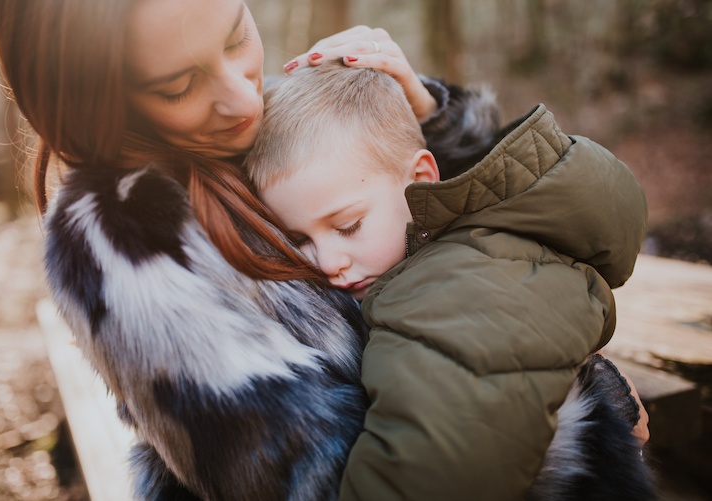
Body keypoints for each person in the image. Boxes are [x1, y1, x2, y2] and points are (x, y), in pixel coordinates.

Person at [246, 61, 655, 500]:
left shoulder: (445, 286)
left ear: (420, 180)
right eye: (298, 239)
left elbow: (431, 468)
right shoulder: (470, 249)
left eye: (347, 226)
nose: (327, 262)